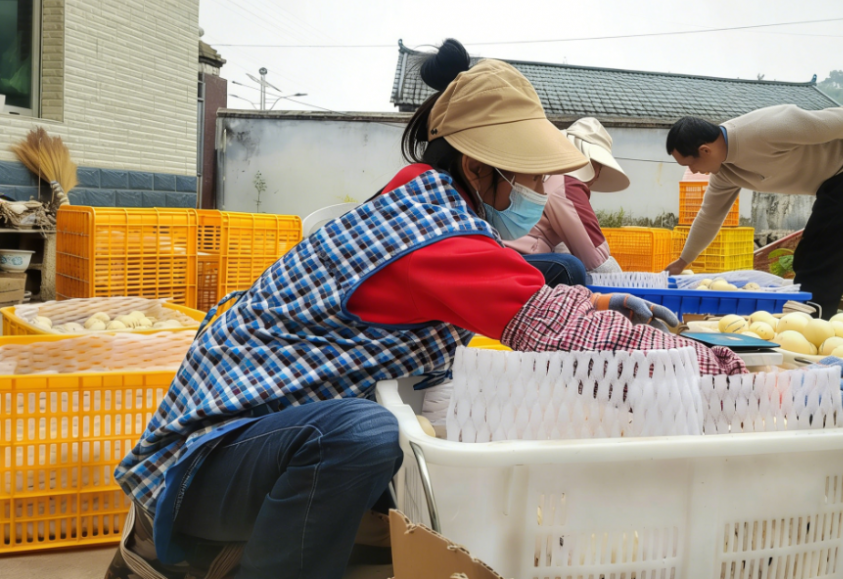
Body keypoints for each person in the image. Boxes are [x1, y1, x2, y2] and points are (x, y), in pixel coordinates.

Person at [106, 39, 749, 579]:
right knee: (361, 435)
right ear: (475, 167)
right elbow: (559, 329)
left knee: (412, 439)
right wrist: (741, 381)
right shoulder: (435, 236)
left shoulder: (423, 201)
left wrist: (598, 297)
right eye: (526, 179)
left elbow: (521, 288)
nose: (535, 194)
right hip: (198, 468)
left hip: (253, 445)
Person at [663, 105, 843, 318]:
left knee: (817, 257)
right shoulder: (723, 173)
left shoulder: (763, 130)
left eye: (690, 165)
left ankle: (806, 328)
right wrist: (684, 261)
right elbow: (709, 216)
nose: (693, 171)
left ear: (705, 150)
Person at [507, 118, 630, 277]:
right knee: (571, 267)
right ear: (590, 161)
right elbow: (597, 260)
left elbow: (564, 245)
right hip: (519, 258)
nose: (599, 175)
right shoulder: (566, 184)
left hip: (507, 252)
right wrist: (628, 288)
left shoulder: (550, 173)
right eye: (600, 165)